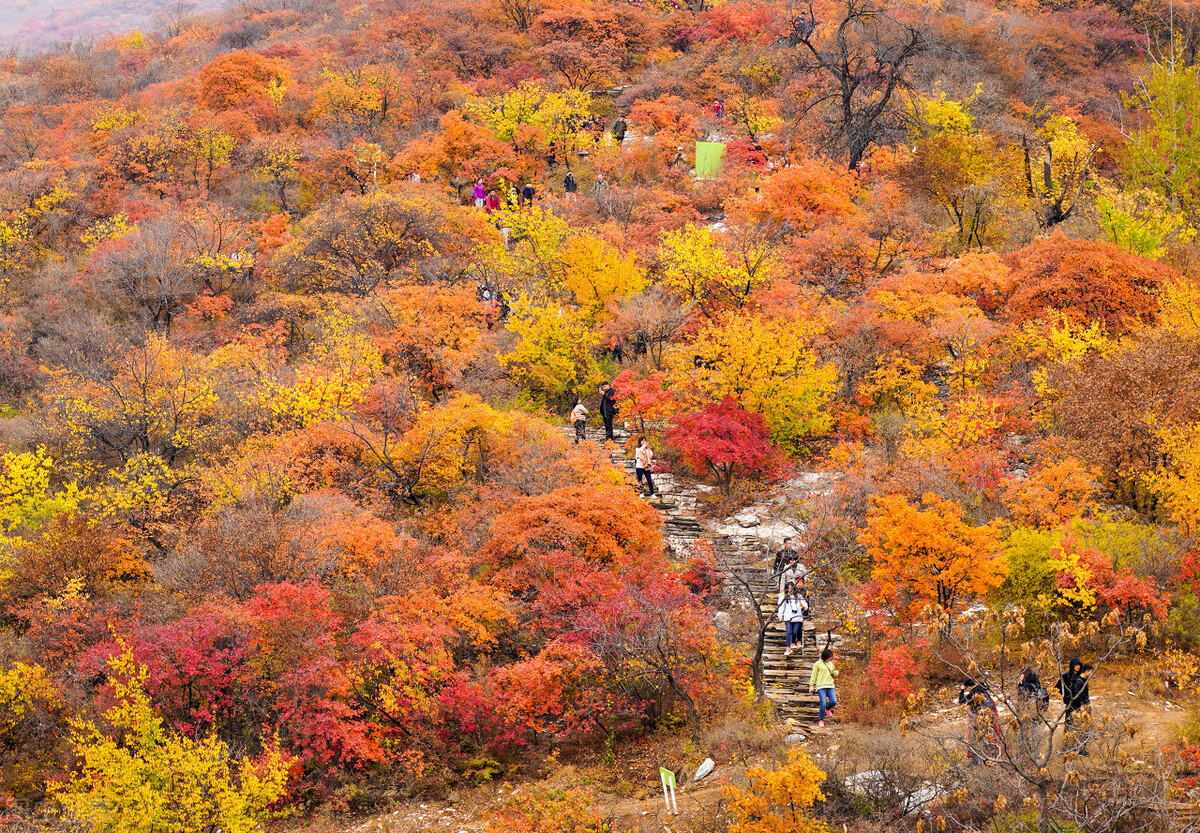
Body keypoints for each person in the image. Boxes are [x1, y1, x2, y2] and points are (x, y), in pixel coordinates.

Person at [959, 678, 1003, 763]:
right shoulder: (982, 690)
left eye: (966, 689)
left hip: (981, 719)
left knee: (977, 739)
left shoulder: (973, 693)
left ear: (968, 687)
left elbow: (962, 702)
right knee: (989, 736)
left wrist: (962, 691)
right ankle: (994, 755)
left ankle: (977, 760)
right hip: (991, 717)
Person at [777, 581, 807, 658]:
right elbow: (781, 606)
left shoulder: (798, 596)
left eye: (792, 588)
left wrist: (803, 607)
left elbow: (804, 604)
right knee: (788, 631)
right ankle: (788, 648)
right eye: (789, 588)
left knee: (795, 631)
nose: (790, 590)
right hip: (788, 617)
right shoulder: (784, 597)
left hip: (797, 617)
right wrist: (780, 616)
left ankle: (793, 642)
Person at [809, 647, 838, 727]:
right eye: (829, 657)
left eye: (830, 657)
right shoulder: (818, 664)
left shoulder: (831, 664)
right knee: (823, 703)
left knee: (834, 701)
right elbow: (814, 675)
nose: (830, 659)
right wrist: (811, 685)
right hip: (821, 686)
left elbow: (832, 675)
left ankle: (827, 708)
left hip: (830, 686)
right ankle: (821, 720)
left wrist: (835, 674)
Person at [1056, 657, 1083, 724]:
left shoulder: (1082, 676)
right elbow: (1058, 687)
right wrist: (1064, 696)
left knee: (1080, 722)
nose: (1078, 667)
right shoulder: (1066, 676)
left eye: (1079, 665)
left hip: (1080, 702)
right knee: (1069, 721)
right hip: (1070, 702)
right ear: (1072, 666)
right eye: (1076, 665)